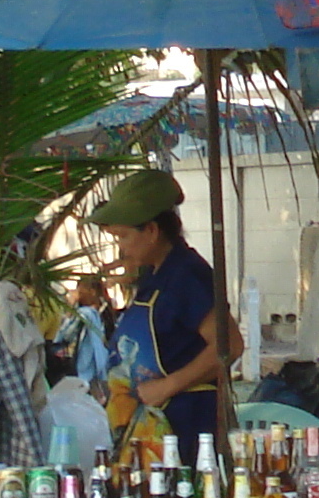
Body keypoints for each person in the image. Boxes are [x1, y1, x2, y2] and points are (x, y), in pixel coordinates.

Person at [92, 168, 237, 462]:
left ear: (152, 231)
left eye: (122, 236)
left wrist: (166, 387)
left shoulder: (186, 275)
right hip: (148, 429)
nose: (119, 248)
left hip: (185, 426)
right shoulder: (155, 275)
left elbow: (230, 345)